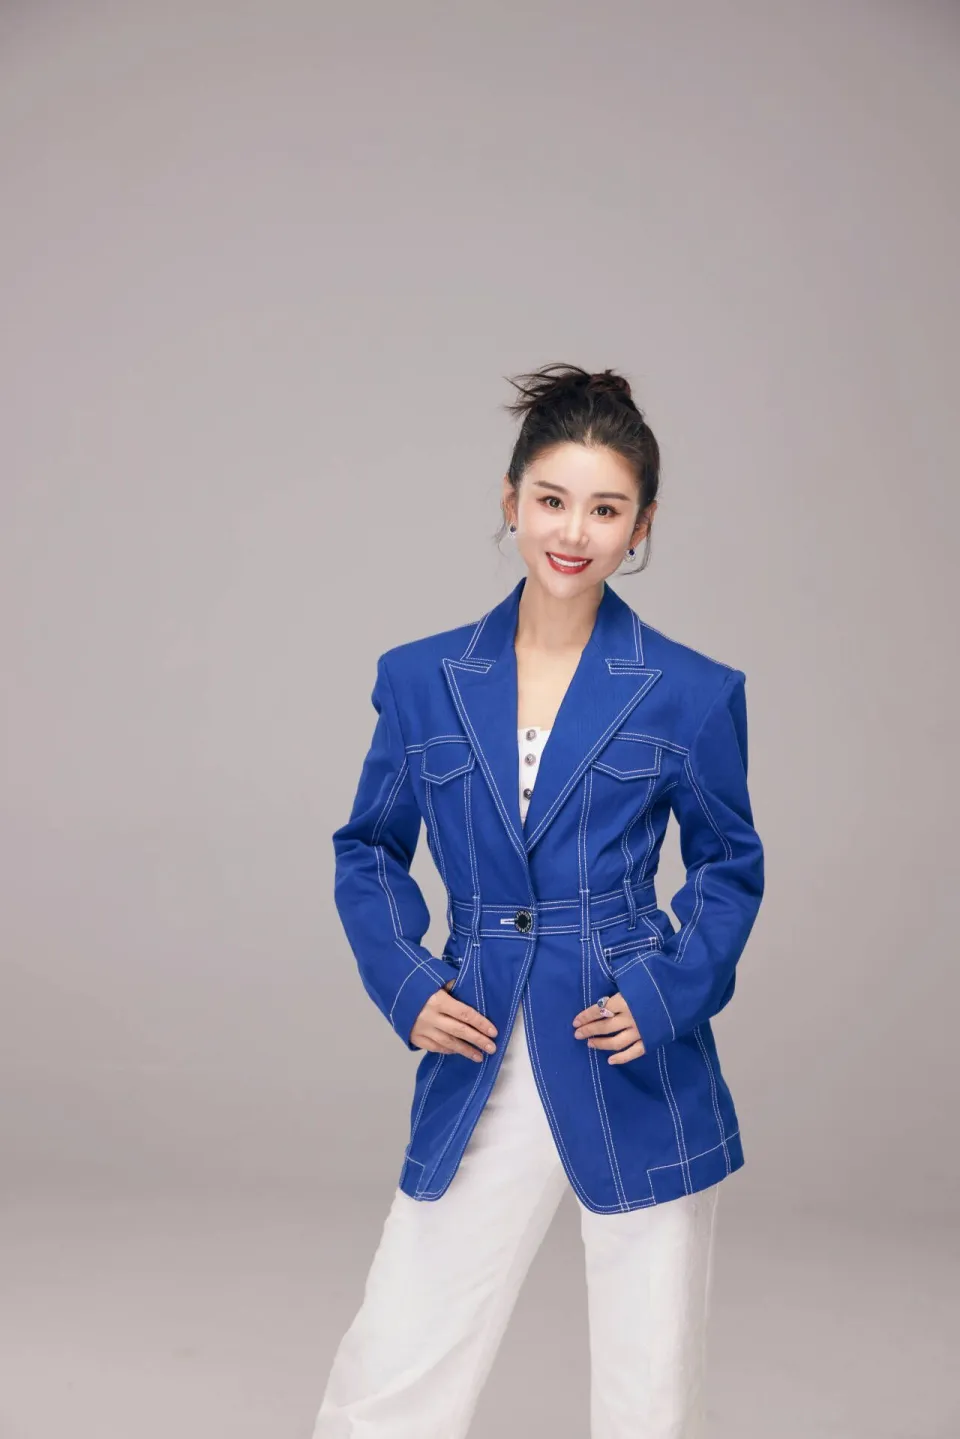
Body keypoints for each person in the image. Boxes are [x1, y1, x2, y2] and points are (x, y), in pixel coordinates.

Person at [311, 363, 765, 1438]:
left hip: (632, 1046)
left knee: (651, 1392)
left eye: (606, 509)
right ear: (510, 499)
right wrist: (408, 982)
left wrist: (664, 995)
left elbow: (728, 867)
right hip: (477, 1039)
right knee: (396, 1356)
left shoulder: (693, 691)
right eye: (553, 499)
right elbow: (368, 848)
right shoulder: (420, 678)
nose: (573, 531)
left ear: (642, 525)